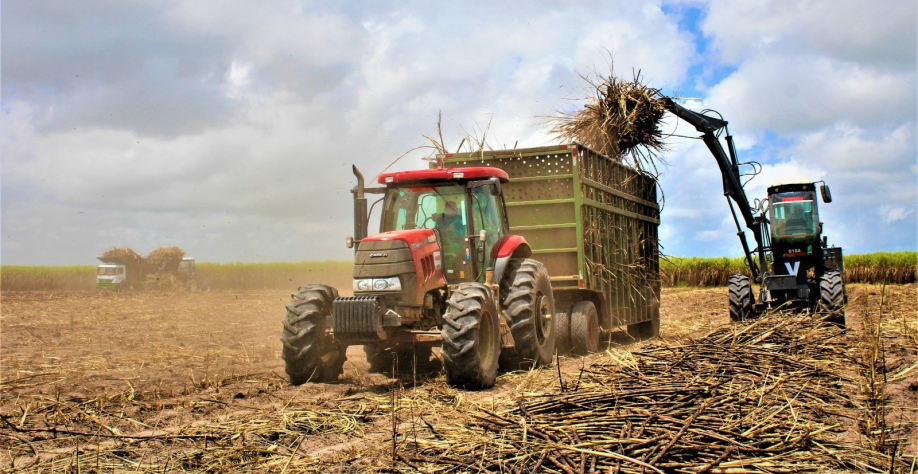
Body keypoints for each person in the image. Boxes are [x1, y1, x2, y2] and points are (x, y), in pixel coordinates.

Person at [435, 199, 467, 277]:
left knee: (458, 267)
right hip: (443, 247)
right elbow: (436, 231)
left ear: (456, 210)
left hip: (457, 247)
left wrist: (453, 230)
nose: (449, 210)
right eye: (448, 209)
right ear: (445, 210)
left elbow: (463, 233)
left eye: (452, 208)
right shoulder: (441, 219)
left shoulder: (461, 219)